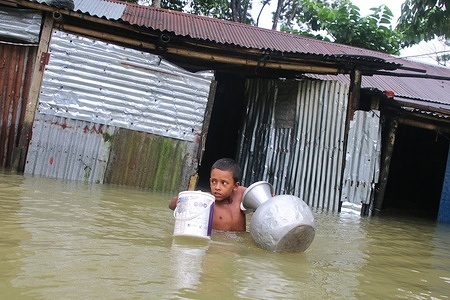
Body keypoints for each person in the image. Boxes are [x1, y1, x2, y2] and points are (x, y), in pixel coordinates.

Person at [169, 158, 247, 232]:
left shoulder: (241, 194)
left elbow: (258, 199)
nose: (217, 187)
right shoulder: (205, 201)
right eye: (213, 181)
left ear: (235, 186)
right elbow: (171, 205)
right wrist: (183, 199)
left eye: (224, 183)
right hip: (217, 242)